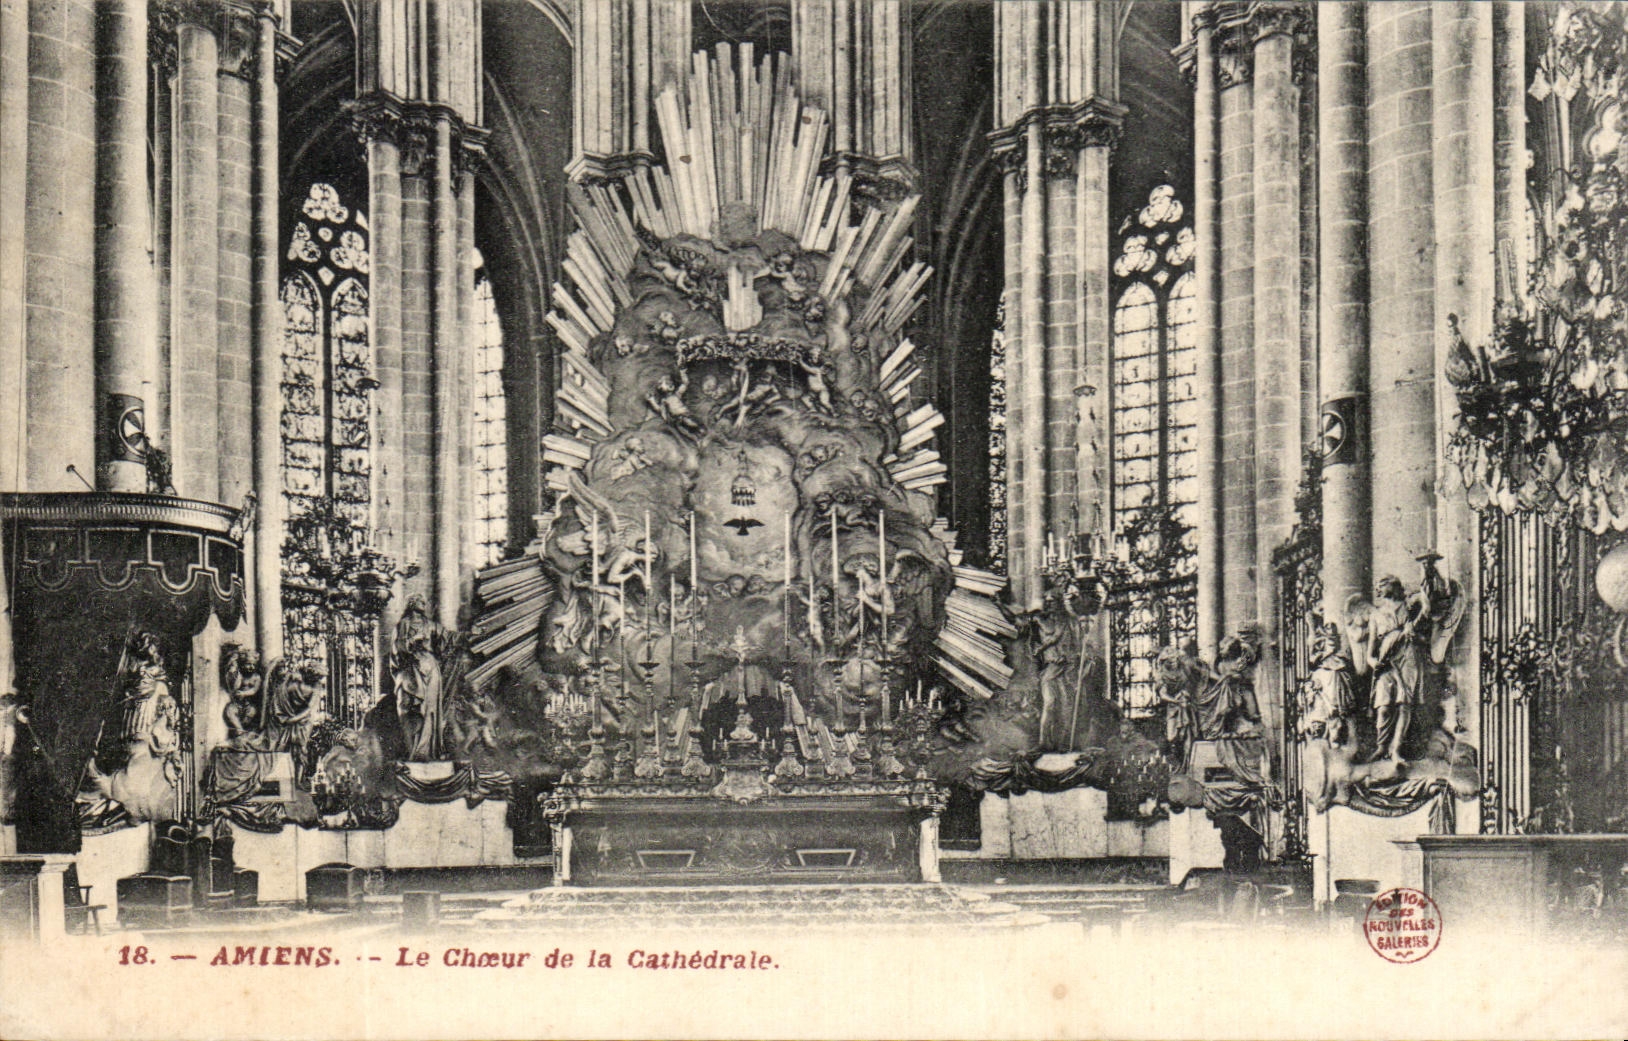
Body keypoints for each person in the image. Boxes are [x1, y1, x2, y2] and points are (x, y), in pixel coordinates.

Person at [1366, 575, 1426, 762]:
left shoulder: (1409, 607)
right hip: (1386, 659)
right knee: (1383, 705)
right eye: (1378, 585)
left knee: (1404, 703)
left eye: (1383, 584)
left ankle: (1396, 749)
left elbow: (1426, 616)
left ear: (1393, 586)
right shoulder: (1376, 615)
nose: (1379, 588)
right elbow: (1370, 653)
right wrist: (1374, 663)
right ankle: (1381, 746)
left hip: (1408, 654)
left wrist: (1413, 632)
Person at [391, 596, 457, 761]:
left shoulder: (431, 625)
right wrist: (411, 643)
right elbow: (397, 648)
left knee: (430, 709)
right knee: (408, 709)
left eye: (423, 601)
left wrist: (468, 634)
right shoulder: (403, 624)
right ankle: (412, 751)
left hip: (430, 668)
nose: (423, 603)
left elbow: (449, 637)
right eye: (420, 600)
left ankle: (427, 750)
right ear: (412, 604)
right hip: (410, 669)